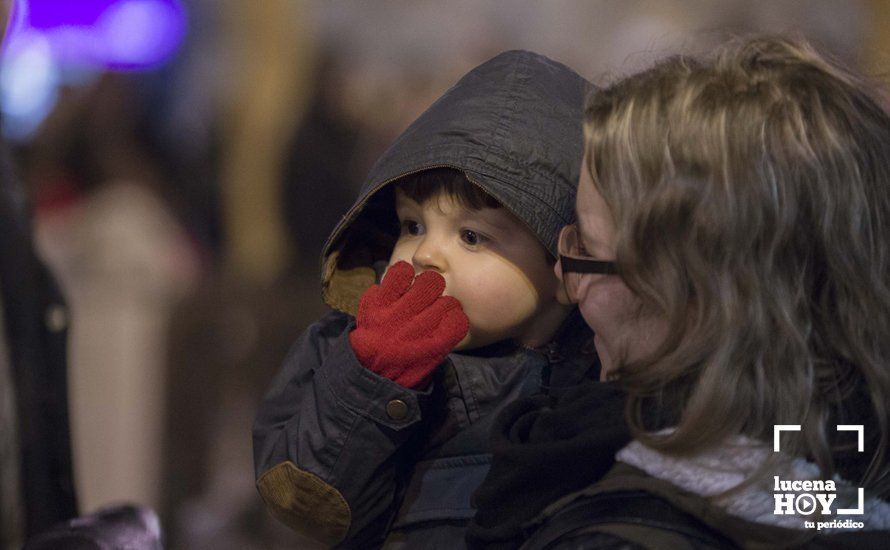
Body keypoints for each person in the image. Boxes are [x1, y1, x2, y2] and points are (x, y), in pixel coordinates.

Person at [467, 37, 890, 548]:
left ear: (702, 300)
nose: (562, 278)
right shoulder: (843, 489)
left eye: (585, 248)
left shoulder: (620, 527)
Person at [252, 50, 599, 548]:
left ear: (565, 267)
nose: (427, 254)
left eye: (473, 237)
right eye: (412, 226)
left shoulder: (601, 370)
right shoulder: (348, 347)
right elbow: (304, 502)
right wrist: (371, 379)